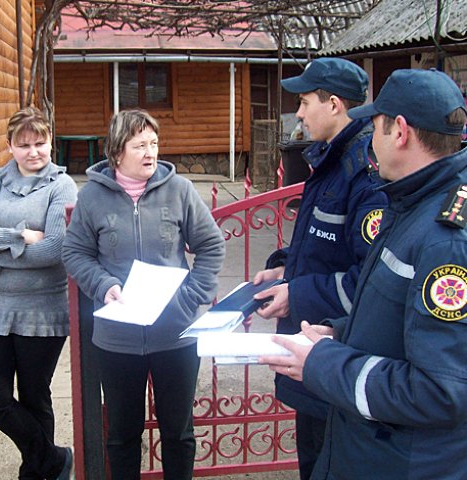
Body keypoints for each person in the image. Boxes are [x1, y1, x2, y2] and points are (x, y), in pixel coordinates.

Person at [261, 68, 467, 479]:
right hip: (372, 449)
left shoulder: (446, 240)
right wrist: (340, 333)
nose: (370, 139)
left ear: (400, 132)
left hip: (401, 461)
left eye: (374, 127)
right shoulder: (411, 201)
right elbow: (390, 310)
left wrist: (325, 363)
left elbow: (441, 392)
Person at [61, 109, 225, 479]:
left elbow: (212, 245)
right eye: (140, 146)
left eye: (154, 143)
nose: (150, 152)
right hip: (117, 339)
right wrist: (103, 285)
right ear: (117, 152)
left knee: (179, 434)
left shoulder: (180, 191)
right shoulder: (92, 199)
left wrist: (189, 298)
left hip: (176, 335)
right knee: (121, 435)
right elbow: (75, 253)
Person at [250, 57, 388, 479]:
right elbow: (321, 247)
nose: (300, 113)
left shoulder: (364, 173)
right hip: (314, 355)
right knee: (312, 457)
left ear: (333, 105)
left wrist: (298, 293)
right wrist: (285, 271)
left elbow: (368, 278)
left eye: (306, 101)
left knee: (328, 464)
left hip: (337, 355)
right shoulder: (331, 161)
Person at [0, 106, 77, 480]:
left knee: (34, 395)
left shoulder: (62, 185)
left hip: (43, 309)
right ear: (9, 145)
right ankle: (54, 459)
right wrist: (20, 236)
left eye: (40, 143)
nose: (33, 152)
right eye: (23, 144)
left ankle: (36, 472)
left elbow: (55, 249)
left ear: (50, 143)